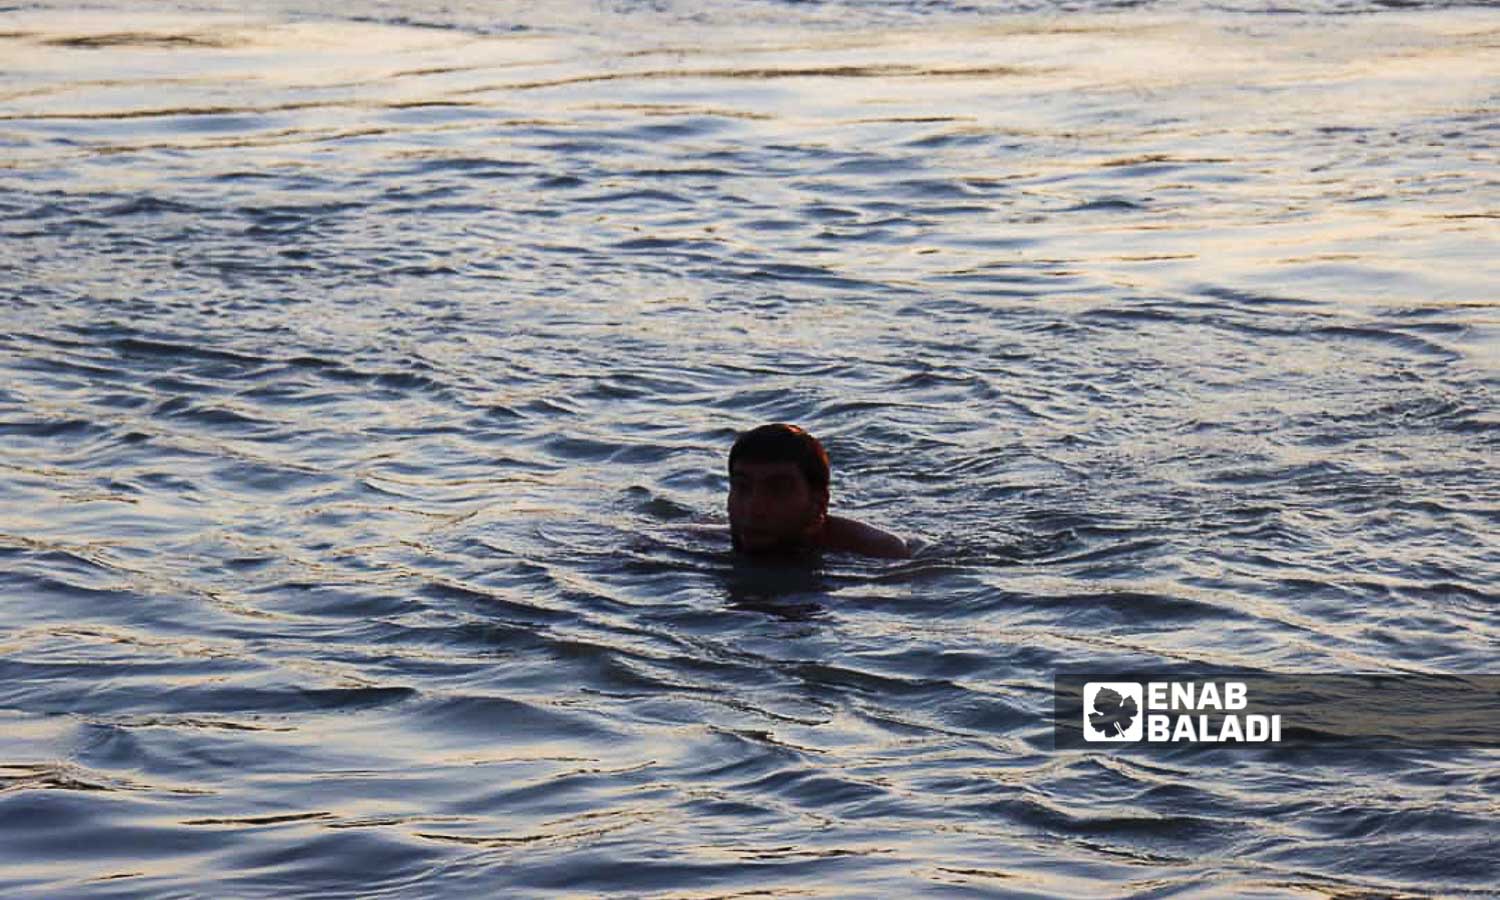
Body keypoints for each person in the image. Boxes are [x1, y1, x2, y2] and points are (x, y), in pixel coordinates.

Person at [727, 423, 910, 559]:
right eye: (742, 487)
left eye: (778, 490)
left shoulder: (881, 553)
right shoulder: (706, 540)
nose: (753, 509)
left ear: (818, 504)